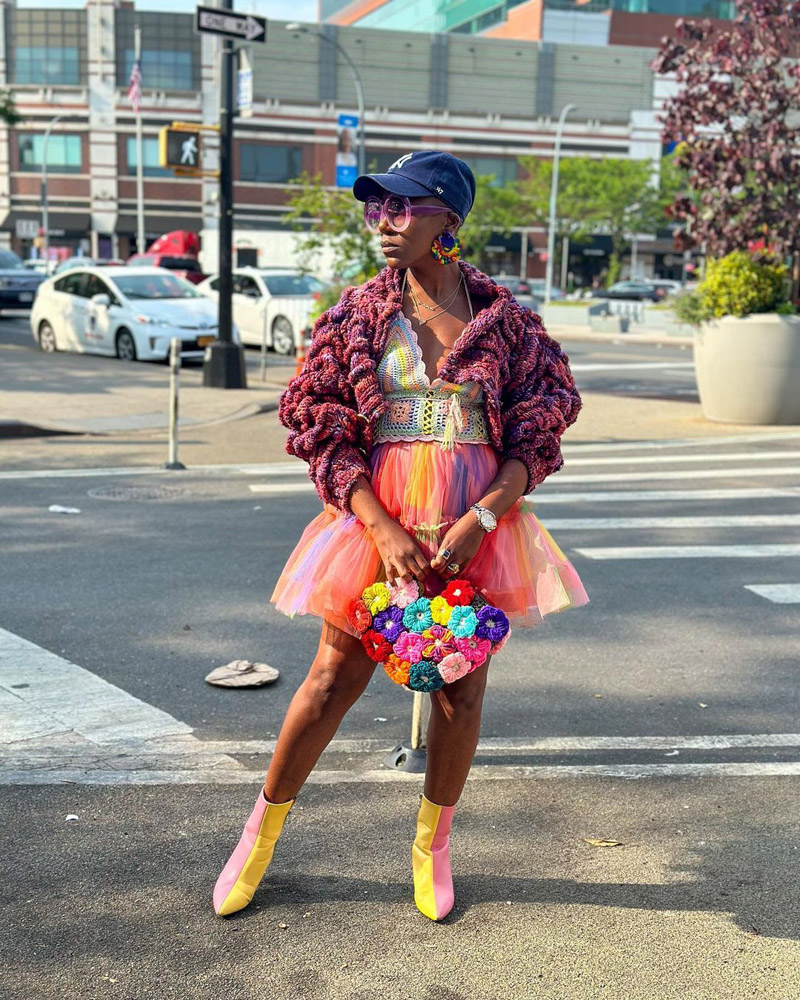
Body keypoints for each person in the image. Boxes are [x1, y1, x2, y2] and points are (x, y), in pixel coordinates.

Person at [212, 151, 589, 921]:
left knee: (460, 687)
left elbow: (541, 429)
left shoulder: (510, 325)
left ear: (448, 218)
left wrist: (483, 516)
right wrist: (377, 525)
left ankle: (432, 847)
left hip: (478, 522)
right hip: (374, 522)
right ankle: (258, 833)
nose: (384, 222)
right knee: (330, 681)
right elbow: (316, 422)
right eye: (376, 207)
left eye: (404, 207)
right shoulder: (357, 316)